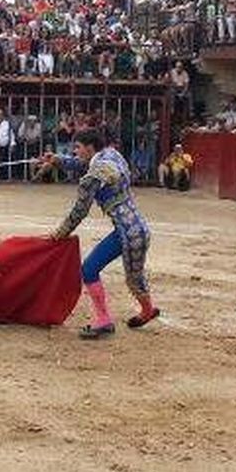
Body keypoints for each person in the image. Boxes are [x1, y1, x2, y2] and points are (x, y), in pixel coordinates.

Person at [48, 128, 158, 339]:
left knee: (90, 269)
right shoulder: (112, 154)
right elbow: (84, 163)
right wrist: (57, 160)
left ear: (90, 148)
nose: (75, 152)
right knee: (134, 277)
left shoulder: (95, 174)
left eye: (78, 148)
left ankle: (104, 320)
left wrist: (59, 234)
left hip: (128, 233)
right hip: (136, 229)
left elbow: (79, 211)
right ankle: (147, 311)